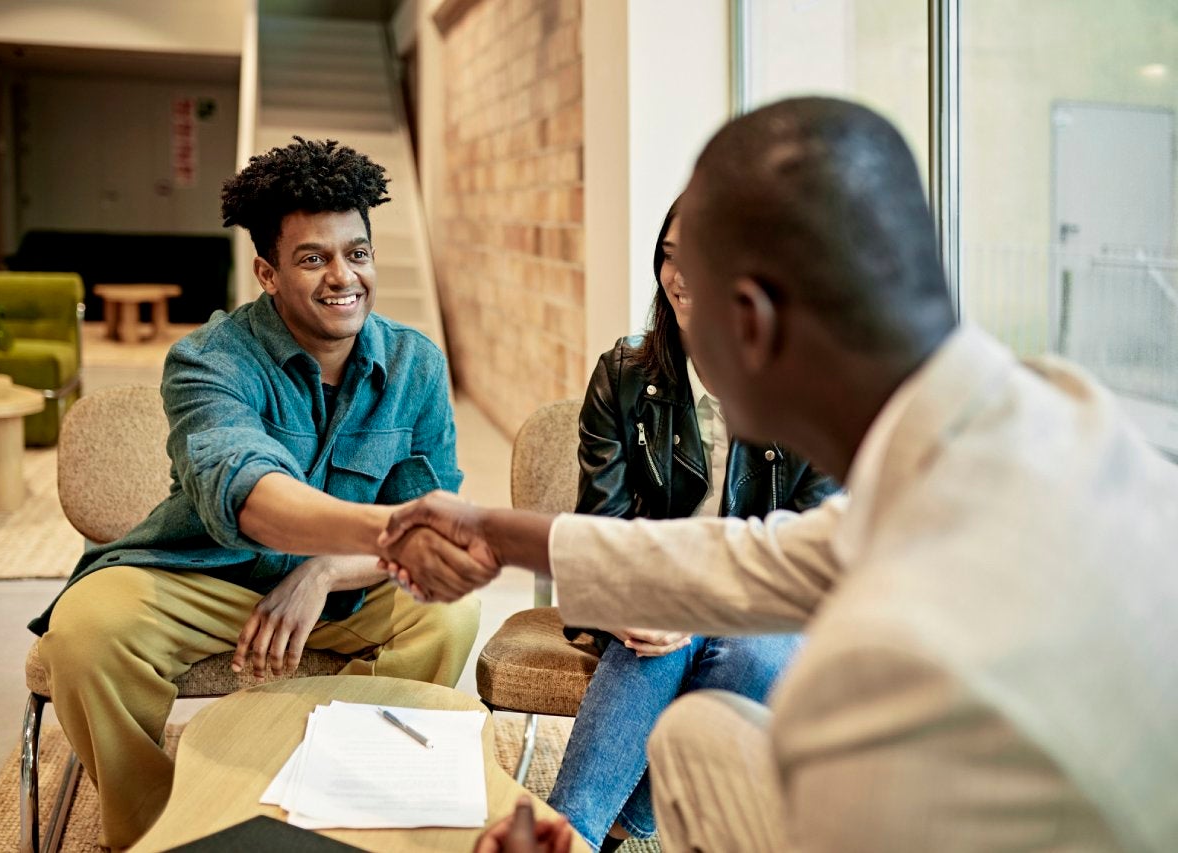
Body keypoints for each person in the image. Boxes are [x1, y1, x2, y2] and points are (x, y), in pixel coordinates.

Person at [379, 99, 1178, 852]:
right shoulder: (1049, 415)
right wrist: (494, 530)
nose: (675, 305)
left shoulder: (873, 679)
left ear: (750, 323)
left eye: (692, 287)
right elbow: (762, 556)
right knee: (695, 734)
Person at [30, 137, 483, 849]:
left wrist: (327, 569)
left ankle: (357, 794)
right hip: (205, 574)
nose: (344, 277)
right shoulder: (208, 359)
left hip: (347, 592)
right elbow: (250, 493)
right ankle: (157, 825)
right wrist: (395, 535)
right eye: (314, 258)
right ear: (267, 273)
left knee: (449, 613)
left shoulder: (415, 363)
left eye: (357, 253)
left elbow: (424, 540)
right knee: (84, 632)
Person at [547, 199, 836, 852]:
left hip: (766, 611)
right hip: (653, 598)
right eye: (670, 255)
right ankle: (569, 835)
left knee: (752, 649)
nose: (680, 275)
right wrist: (630, 605)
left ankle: (612, 826)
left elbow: (814, 557)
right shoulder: (624, 377)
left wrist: (700, 602)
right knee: (656, 636)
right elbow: (603, 530)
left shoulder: (810, 391)